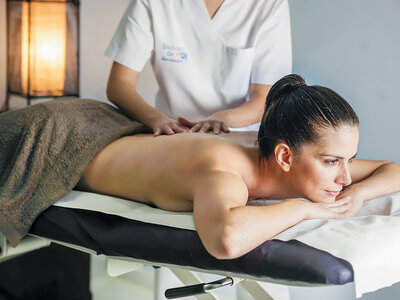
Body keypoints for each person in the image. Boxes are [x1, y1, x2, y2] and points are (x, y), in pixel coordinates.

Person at [76, 74, 400, 259]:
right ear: (285, 157)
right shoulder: (226, 172)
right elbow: (225, 240)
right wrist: (305, 209)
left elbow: (393, 169)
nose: (344, 177)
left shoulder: (300, 159)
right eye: (332, 162)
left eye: (350, 161)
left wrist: (358, 194)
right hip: (80, 144)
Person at [105, 0, 292, 136]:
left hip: (236, 135)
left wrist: (224, 119)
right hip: (170, 134)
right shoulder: (153, 3)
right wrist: (157, 120)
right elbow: (119, 85)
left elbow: (268, 98)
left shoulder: (268, 4)